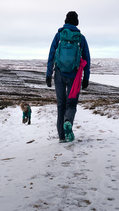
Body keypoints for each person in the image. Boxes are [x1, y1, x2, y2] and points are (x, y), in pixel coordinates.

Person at [45, 11, 90, 142]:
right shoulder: (81, 38)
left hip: (59, 73)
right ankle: (68, 121)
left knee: (61, 104)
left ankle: (61, 137)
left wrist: (49, 74)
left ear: (65, 20)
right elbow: (87, 58)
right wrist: (86, 78)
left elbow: (51, 54)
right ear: (77, 22)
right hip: (74, 76)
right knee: (71, 104)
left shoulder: (59, 35)